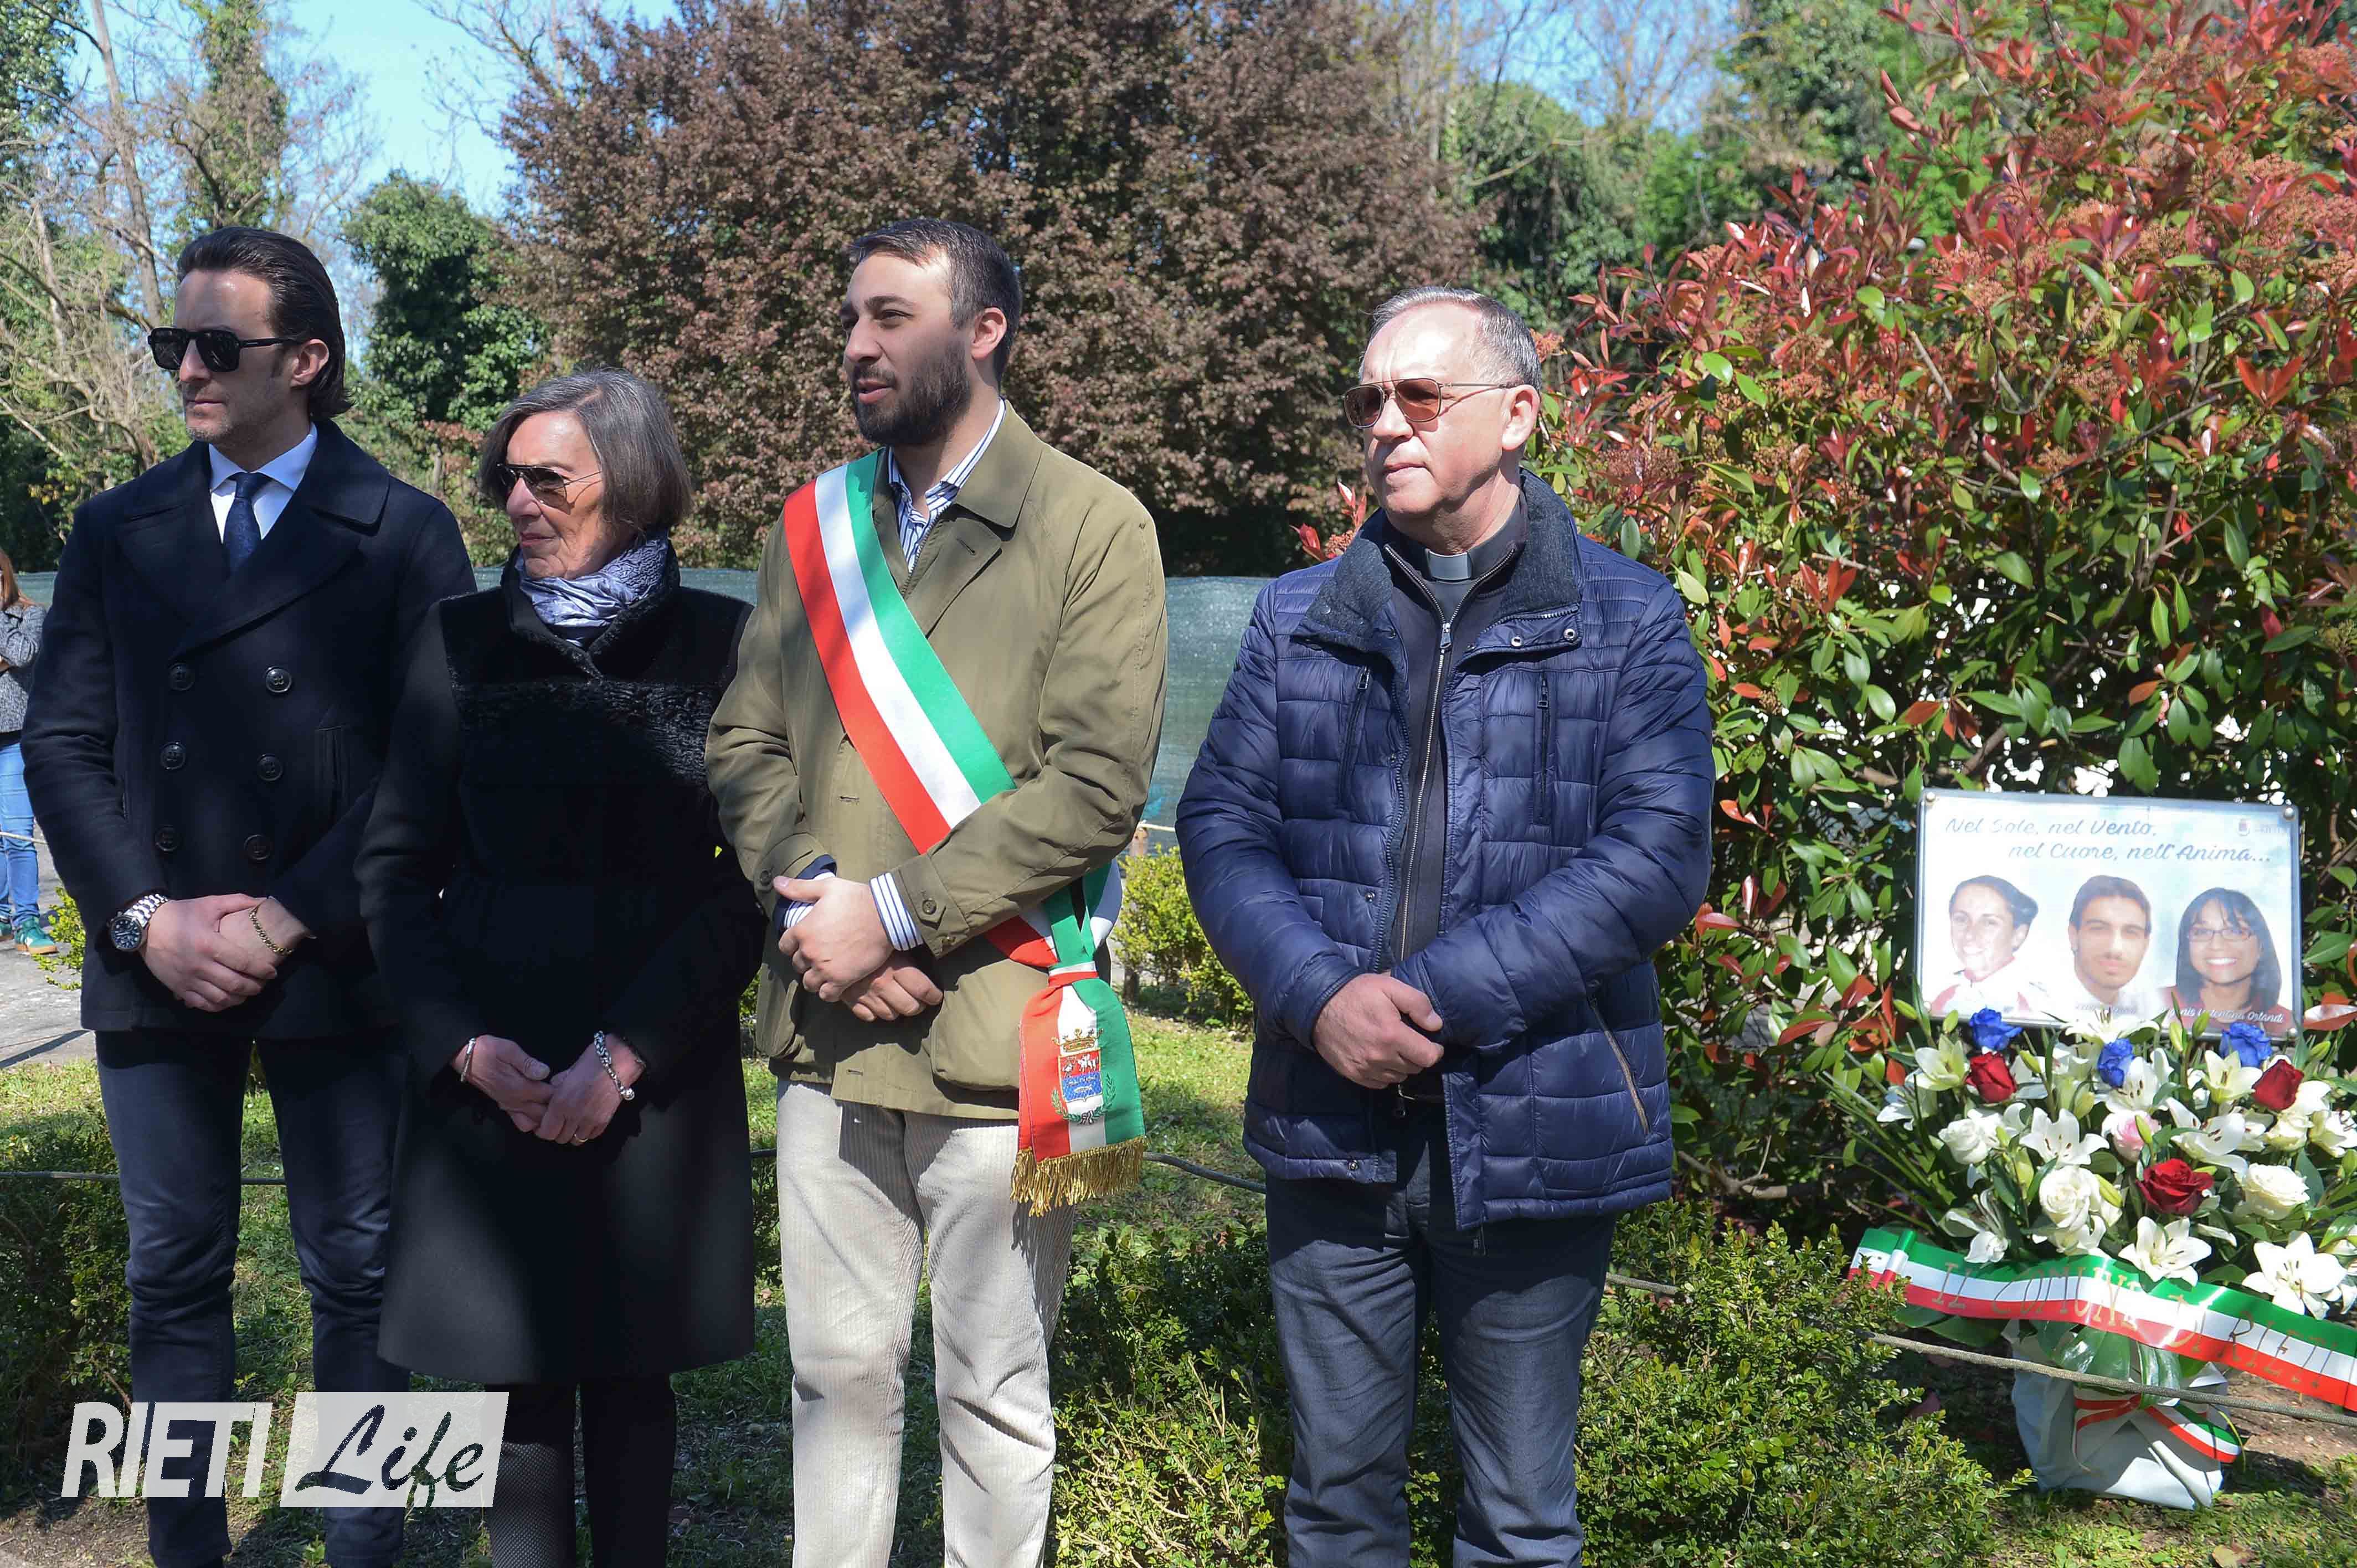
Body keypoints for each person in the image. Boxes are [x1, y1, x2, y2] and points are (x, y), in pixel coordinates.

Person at [1176, 285, 1713, 1566]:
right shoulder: (1296, 617)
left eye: (1420, 396)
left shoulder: (1628, 617)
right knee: (1334, 1508)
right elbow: (1222, 826)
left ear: (1516, 415)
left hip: (1535, 1122)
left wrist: (1433, 1001)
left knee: (1519, 1520)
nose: (1385, 424)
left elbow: (1656, 857)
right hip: (1330, 1124)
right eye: (1369, 399)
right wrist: (1321, 997)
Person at [707, 218, 1166, 1567]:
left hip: (997, 1037)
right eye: (850, 318)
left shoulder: (1095, 524)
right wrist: (822, 909)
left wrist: (893, 915)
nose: (856, 344)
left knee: (994, 1396)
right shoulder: (812, 524)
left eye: (891, 317)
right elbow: (743, 743)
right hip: (829, 1027)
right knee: (832, 1380)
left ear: (983, 330)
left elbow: (1094, 788)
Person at [21, 227, 475, 1568]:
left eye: (219, 345)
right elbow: (62, 741)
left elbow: (434, 760)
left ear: (309, 358)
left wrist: (287, 917)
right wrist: (145, 919)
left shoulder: (403, 530)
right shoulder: (116, 527)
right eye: (174, 343)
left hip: (338, 952)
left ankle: (366, 1546)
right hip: (155, 955)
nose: (188, 369)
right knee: (172, 1271)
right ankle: (187, 1549)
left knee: (360, 1266)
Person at [358, 370, 762, 1566]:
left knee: (636, 1383)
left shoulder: (723, 645)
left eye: (548, 479)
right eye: (508, 479)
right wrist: (460, 1045)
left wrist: (628, 1054)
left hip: (656, 1063)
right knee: (515, 1383)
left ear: (631, 485)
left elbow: (747, 878)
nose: (517, 503)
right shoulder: (458, 643)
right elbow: (394, 870)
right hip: (497, 1062)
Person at [0, 546, 51, 955]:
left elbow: (22, 654)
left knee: (17, 833)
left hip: (15, 738)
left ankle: (27, 921)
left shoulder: (32, 615)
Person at [2164, 886, 2294, 1036]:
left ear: (2261, 945)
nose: (2217, 945)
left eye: (2235, 931)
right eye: (2202, 932)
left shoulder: (2284, 1024)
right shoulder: (2158, 1006)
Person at [1928, 875, 2058, 1019]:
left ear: (2018, 934)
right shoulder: (1939, 993)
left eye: (1989, 923)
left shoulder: (2036, 1004)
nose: (1970, 935)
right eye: (1961, 919)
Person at [2056, 874, 2161, 1026]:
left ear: (2146, 944)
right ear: (2074, 935)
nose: (2115, 949)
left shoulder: (2152, 1010)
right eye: (2099, 929)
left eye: (2131, 933)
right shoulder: (2037, 1007)